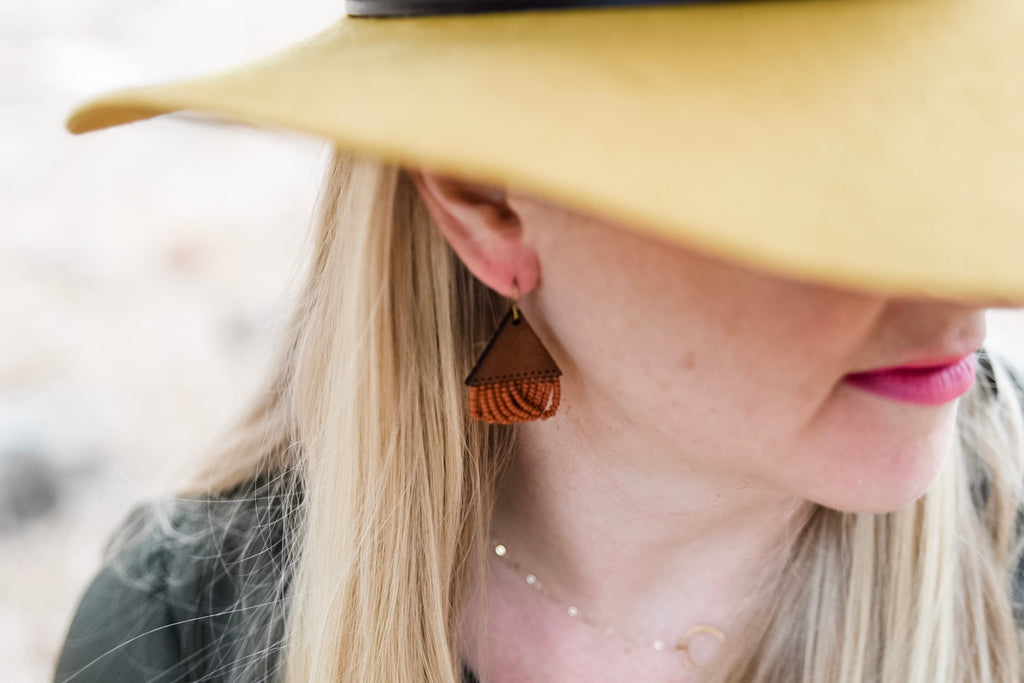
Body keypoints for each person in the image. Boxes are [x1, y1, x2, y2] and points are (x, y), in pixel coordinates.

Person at [52, 0, 1024, 681]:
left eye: (963, 154)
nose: (970, 283)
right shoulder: (180, 643)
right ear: (488, 203)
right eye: (838, 198)